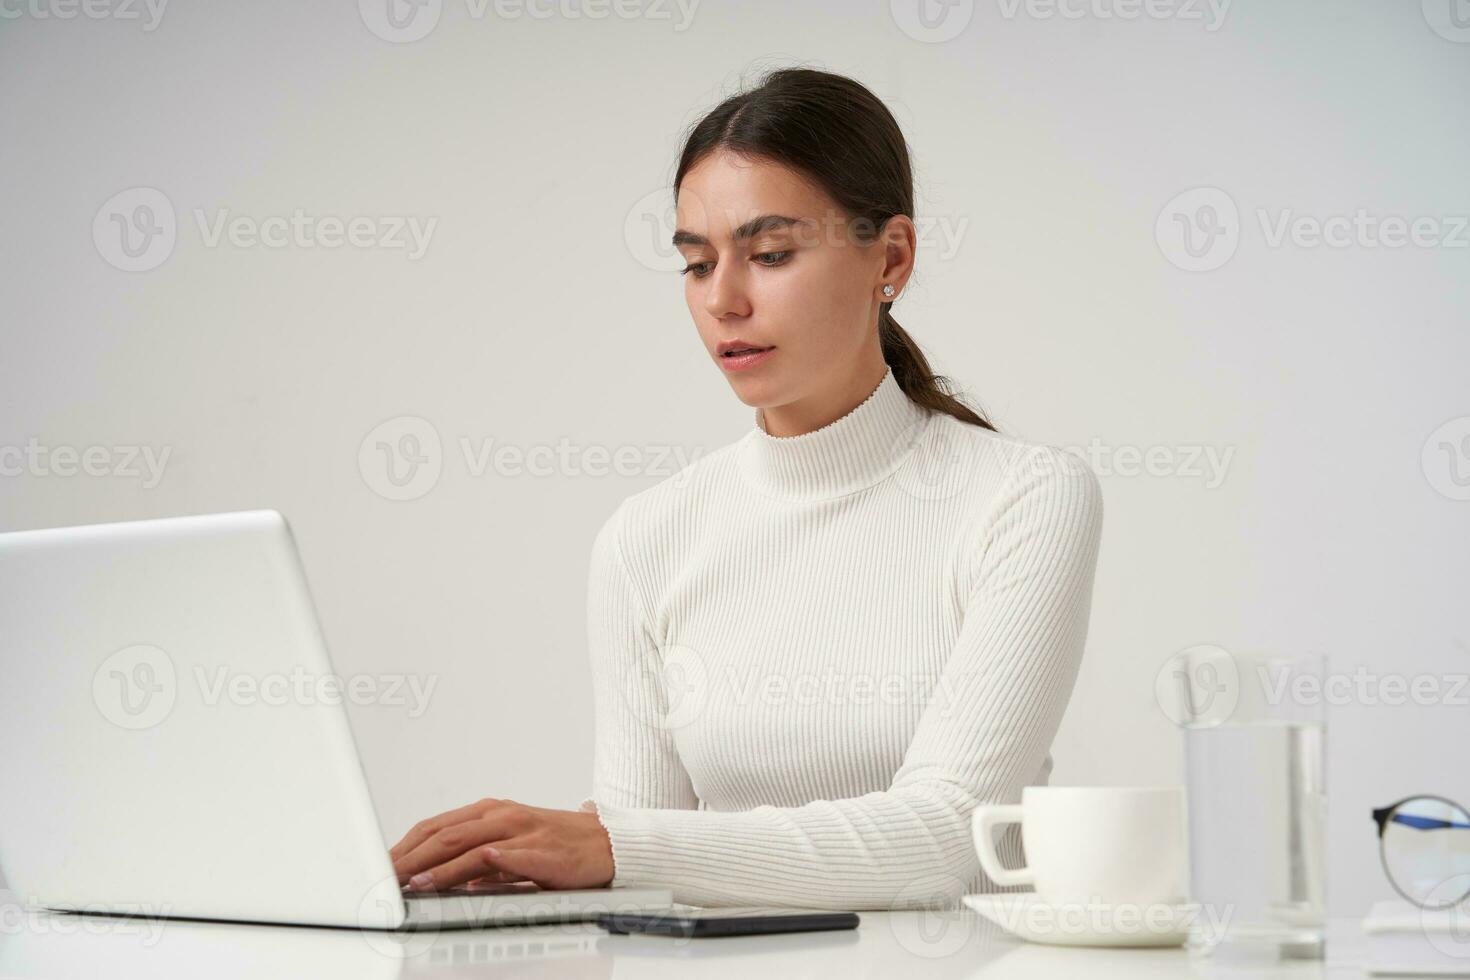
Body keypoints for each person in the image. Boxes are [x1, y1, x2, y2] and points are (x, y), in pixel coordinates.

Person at [389, 66, 1105, 911]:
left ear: (894, 257)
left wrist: (615, 843)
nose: (724, 299)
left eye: (770, 255)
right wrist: (509, 874)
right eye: (697, 265)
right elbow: (640, 877)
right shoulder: (646, 539)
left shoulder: (1022, 500)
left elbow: (948, 838)